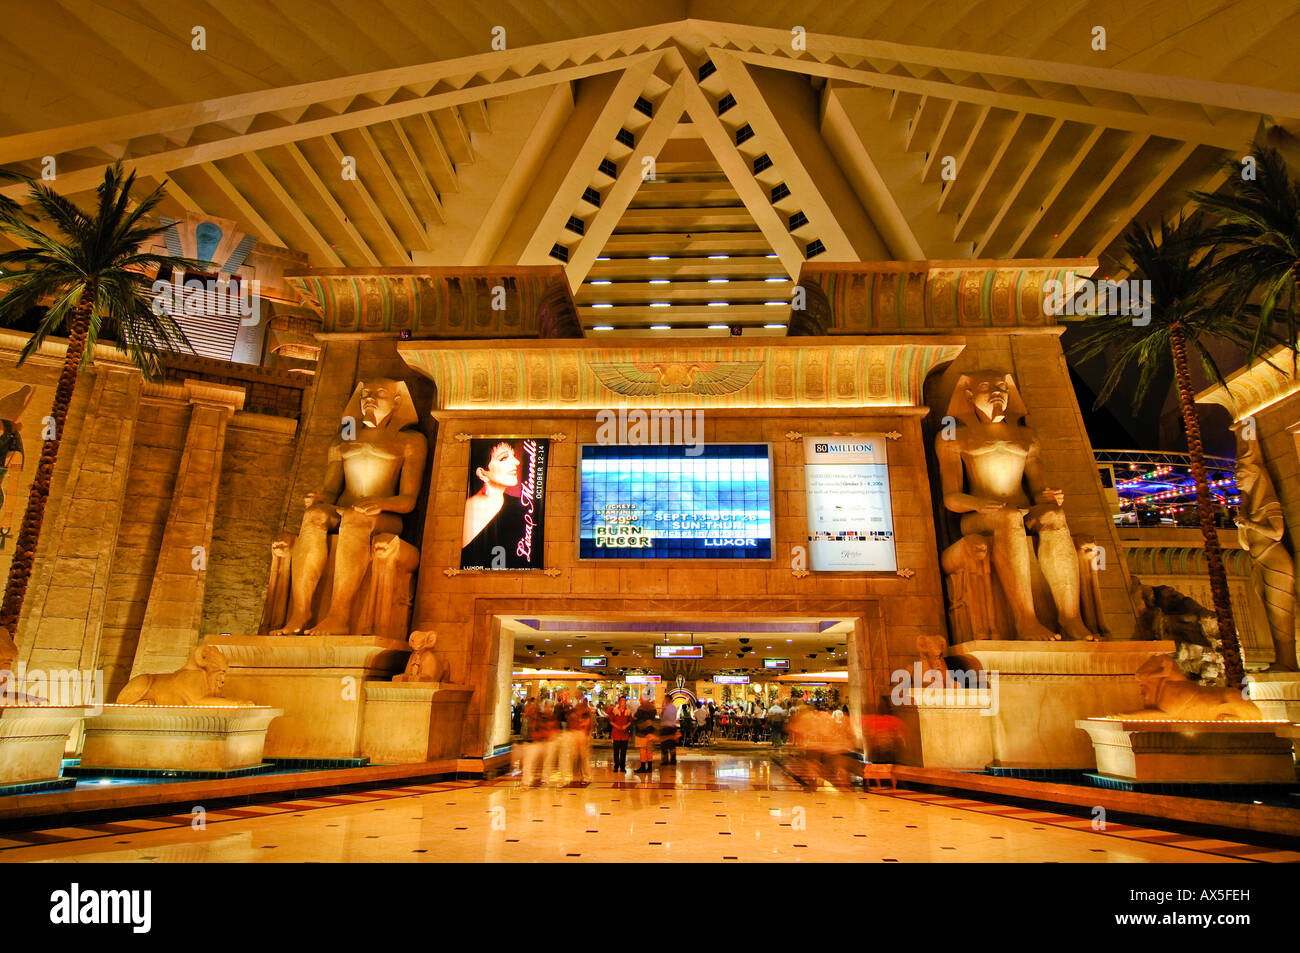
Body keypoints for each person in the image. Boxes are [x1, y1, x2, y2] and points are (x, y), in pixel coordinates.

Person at [460, 440, 533, 569]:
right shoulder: (460, 511)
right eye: (504, 458)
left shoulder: (525, 511)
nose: (517, 462)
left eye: (514, 455)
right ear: (482, 473)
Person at [566, 695, 592, 782]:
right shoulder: (575, 716)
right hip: (577, 736)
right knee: (576, 758)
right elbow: (572, 726)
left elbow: (587, 727)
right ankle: (577, 776)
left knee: (583, 758)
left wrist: (585, 736)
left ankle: (585, 776)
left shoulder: (586, 716)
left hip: (582, 737)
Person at [633, 695, 658, 773]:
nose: (639, 699)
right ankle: (649, 768)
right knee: (649, 750)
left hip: (641, 732)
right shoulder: (653, 708)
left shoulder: (642, 708)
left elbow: (635, 717)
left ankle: (643, 767)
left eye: (640, 698)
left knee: (642, 749)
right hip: (650, 731)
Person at [609, 696, 632, 773]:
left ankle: (622, 766)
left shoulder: (628, 711)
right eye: (622, 701)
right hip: (616, 733)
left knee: (623, 752)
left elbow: (630, 721)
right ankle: (616, 766)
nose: (623, 702)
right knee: (616, 751)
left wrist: (626, 726)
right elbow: (611, 721)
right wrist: (617, 726)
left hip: (624, 734)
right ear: (619, 702)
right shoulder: (614, 711)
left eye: (624, 701)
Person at [659, 693, 680, 767]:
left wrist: (662, 707)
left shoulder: (667, 708)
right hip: (672, 727)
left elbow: (662, 717)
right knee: (672, 745)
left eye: (665, 699)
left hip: (666, 727)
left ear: (667, 699)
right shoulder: (674, 707)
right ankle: (673, 760)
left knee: (664, 744)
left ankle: (665, 760)